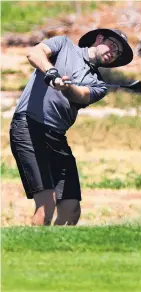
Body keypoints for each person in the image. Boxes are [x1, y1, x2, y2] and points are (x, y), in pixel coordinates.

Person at [10, 28, 133, 226]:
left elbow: (80, 95)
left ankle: (55, 253)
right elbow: (34, 53)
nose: (114, 53)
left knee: (71, 209)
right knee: (46, 204)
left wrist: (66, 86)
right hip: (28, 126)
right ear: (99, 38)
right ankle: (34, 253)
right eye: (113, 45)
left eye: (118, 53)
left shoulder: (99, 85)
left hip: (56, 136)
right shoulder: (64, 45)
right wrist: (51, 72)